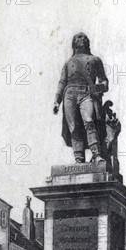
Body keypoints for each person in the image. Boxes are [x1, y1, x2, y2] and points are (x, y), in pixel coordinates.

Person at [53, 32, 109, 163]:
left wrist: (99, 87)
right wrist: (57, 101)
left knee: (89, 121)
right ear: (73, 43)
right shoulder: (68, 63)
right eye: (78, 37)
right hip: (69, 94)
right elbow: (62, 82)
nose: (81, 39)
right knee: (73, 127)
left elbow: (105, 81)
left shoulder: (95, 60)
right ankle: (79, 159)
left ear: (88, 42)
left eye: (84, 37)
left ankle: (96, 154)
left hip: (87, 93)